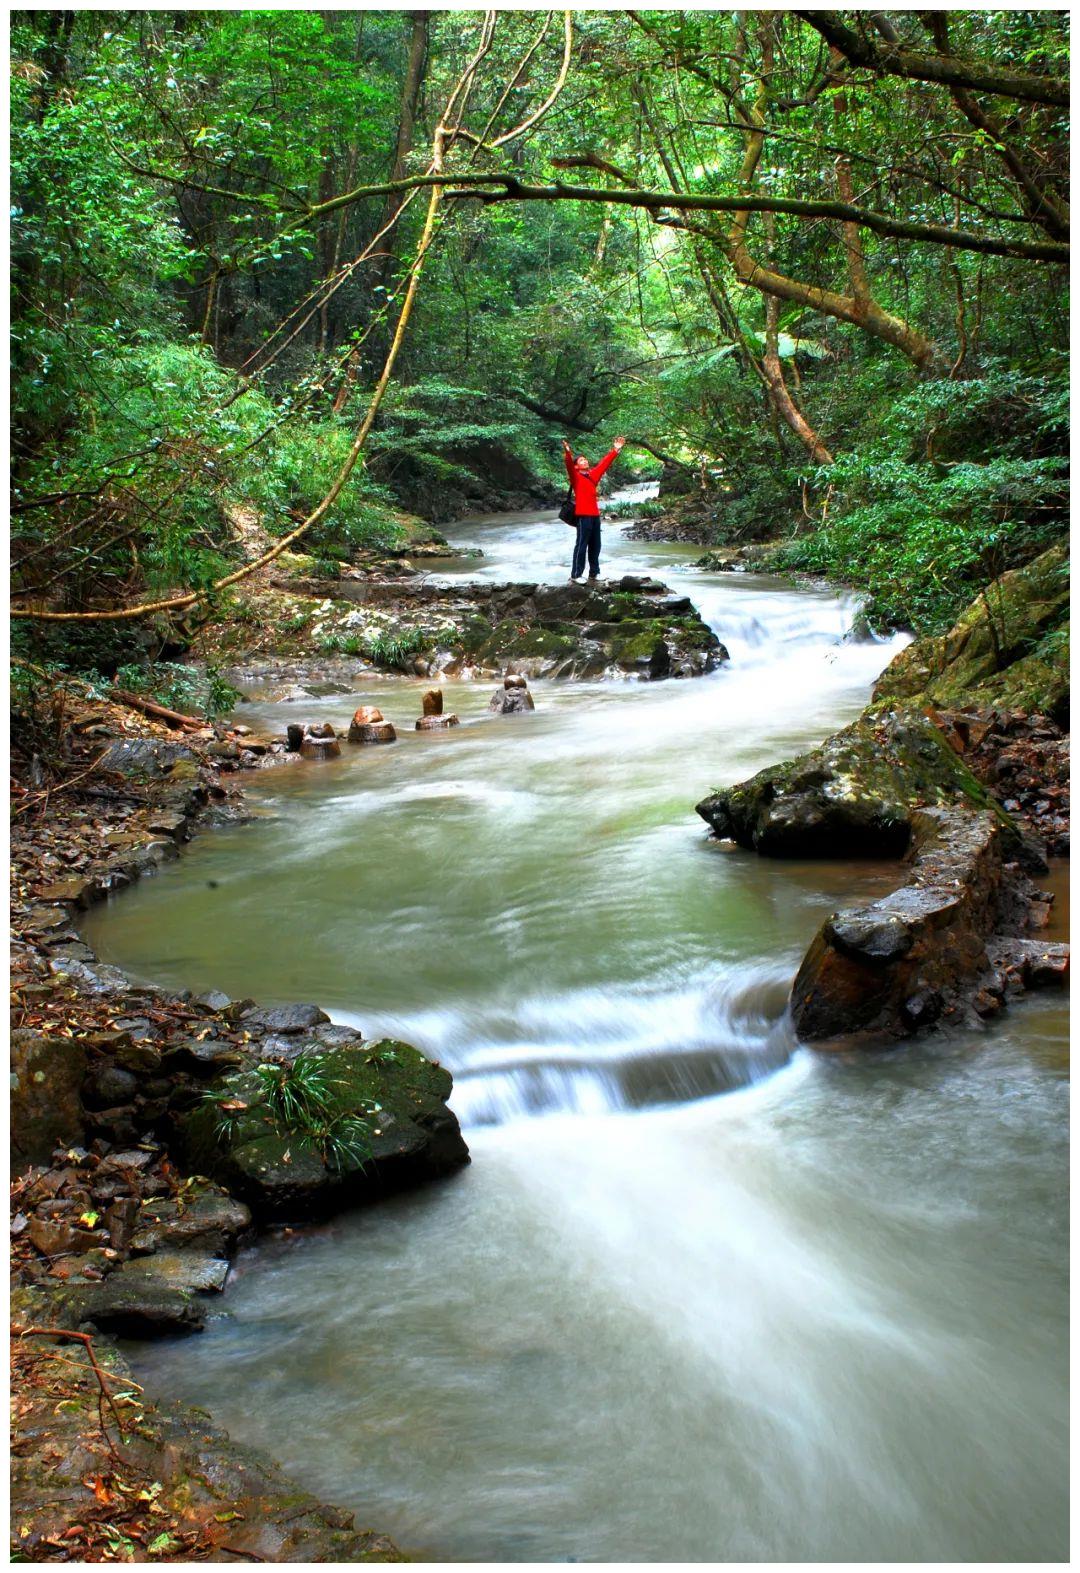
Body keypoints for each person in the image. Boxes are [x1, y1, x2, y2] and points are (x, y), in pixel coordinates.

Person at [562, 436, 626, 583]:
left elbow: (604, 464)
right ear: (577, 466)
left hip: (595, 515)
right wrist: (568, 452)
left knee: (596, 545)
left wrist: (615, 450)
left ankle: (594, 573)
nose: (585, 461)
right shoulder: (575, 477)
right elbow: (569, 466)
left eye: (585, 459)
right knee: (581, 545)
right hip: (582, 515)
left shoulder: (592, 476)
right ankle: (576, 575)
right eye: (581, 460)